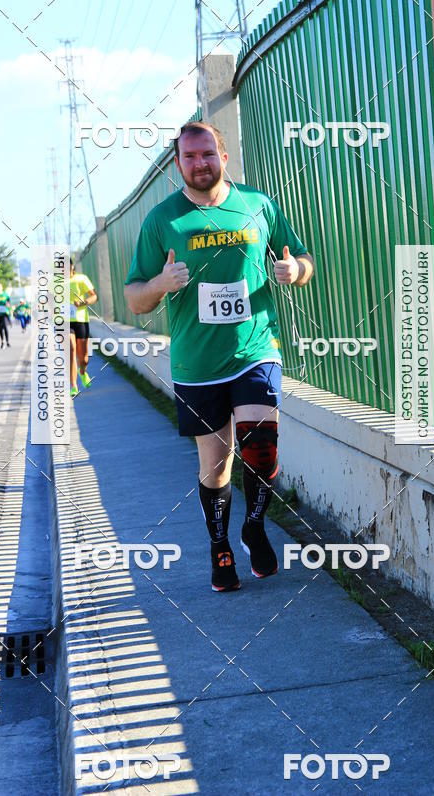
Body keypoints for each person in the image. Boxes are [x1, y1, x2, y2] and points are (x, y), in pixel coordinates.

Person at [124, 121, 314, 592]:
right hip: (196, 363)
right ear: (178, 164)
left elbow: (304, 261)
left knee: (263, 446)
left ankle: (253, 524)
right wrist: (160, 285)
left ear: (223, 156)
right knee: (217, 465)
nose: (200, 163)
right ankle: (220, 547)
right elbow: (133, 297)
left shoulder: (257, 205)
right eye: (189, 157)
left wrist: (295, 270)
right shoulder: (162, 220)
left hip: (255, 349)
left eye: (208, 153)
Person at [69, 258, 98, 397]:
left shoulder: (81, 279)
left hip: (80, 320)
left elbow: (94, 296)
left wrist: (83, 302)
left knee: (84, 358)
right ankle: (73, 386)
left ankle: (82, 372)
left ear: (72, 266)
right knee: (70, 349)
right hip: (63, 322)